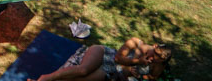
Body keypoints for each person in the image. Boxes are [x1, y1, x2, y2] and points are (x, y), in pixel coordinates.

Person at [36, 38, 173, 81]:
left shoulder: (158, 66)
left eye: (158, 59)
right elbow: (118, 58)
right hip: (104, 54)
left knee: (79, 80)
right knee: (83, 70)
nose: (154, 58)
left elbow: (151, 77)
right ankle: (45, 78)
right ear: (154, 46)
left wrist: (138, 75)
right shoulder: (136, 43)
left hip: (110, 70)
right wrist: (137, 62)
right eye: (155, 54)